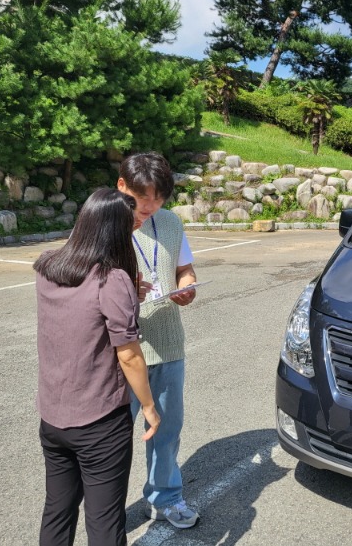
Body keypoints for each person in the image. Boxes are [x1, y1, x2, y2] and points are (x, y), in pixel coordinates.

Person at [34, 188, 161, 546]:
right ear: (115, 232)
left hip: (53, 416)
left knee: (57, 511)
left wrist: (128, 299)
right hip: (100, 422)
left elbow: (80, 312)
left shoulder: (49, 266)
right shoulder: (112, 278)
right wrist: (149, 408)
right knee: (105, 523)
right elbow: (129, 354)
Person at [116, 152, 200, 529]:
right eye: (141, 197)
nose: (149, 206)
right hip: (121, 349)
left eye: (158, 198)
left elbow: (184, 269)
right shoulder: (106, 222)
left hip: (167, 341)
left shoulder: (170, 223)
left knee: (166, 429)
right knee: (114, 439)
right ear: (122, 187)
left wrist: (186, 287)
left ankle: (165, 498)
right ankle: (107, 509)